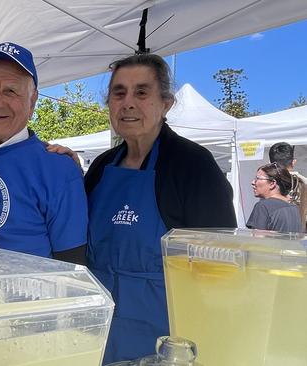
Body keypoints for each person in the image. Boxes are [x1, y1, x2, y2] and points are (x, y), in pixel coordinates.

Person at [84, 53, 237, 363]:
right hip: (99, 336)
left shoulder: (193, 165)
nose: (128, 102)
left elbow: (220, 267)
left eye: (141, 92)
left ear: (166, 103)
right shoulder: (101, 167)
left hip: (163, 342)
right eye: (119, 92)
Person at [0, 42, 87, 264]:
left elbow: (72, 262)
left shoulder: (59, 168)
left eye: (10, 91)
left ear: (32, 102)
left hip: (30, 296)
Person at [246, 163, 301, 232]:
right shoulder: (294, 208)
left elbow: (258, 239)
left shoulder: (263, 206)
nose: (253, 182)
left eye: (257, 178)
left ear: (272, 184)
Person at [269, 141, 307, 229]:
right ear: (293, 162)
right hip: (300, 235)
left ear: (270, 163)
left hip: (273, 235)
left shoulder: (267, 182)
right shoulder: (304, 182)